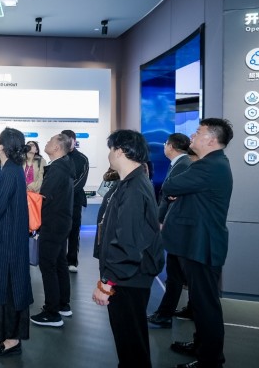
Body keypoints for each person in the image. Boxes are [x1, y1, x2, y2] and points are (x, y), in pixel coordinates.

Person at [162, 119, 234, 368]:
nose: (192, 135)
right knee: (201, 304)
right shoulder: (211, 165)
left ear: (211, 139)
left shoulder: (209, 166)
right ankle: (201, 346)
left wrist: (176, 191)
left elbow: (170, 186)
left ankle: (210, 360)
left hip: (202, 246)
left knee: (206, 306)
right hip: (198, 244)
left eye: (198, 132)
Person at [93, 129, 164, 368]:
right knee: (130, 342)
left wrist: (107, 283)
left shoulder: (134, 188)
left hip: (128, 278)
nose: (109, 154)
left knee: (131, 343)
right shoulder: (130, 183)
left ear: (120, 151)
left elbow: (127, 242)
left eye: (111, 149)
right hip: (129, 276)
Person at [0, 128, 33, 358]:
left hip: (8, 240)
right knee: (5, 285)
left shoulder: (10, 171)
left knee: (9, 288)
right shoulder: (11, 168)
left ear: (2, 146)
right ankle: (3, 333)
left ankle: (12, 340)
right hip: (8, 236)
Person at [147, 133, 192, 329]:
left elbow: (170, 192)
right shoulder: (180, 163)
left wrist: (160, 219)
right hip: (175, 224)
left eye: (166, 143)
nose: (164, 146)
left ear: (171, 146)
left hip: (177, 226)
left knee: (176, 273)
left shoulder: (183, 164)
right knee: (177, 272)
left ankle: (164, 314)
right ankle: (180, 310)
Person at [30, 133, 75, 327]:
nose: (47, 143)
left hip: (53, 223)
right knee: (59, 263)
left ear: (57, 147)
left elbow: (45, 197)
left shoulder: (57, 169)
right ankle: (63, 304)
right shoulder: (64, 166)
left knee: (48, 265)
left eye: (50, 141)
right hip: (62, 222)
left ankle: (51, 313)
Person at [61, 130, 88, 273]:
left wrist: (66, 192)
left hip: (75, 200)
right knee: (59, 230)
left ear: (74, 141)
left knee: (73, 230)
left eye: (68, 139)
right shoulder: (59, 157)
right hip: (59, 201)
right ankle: (60, 259)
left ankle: (72, 261)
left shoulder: (82, 158)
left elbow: (81, 181)